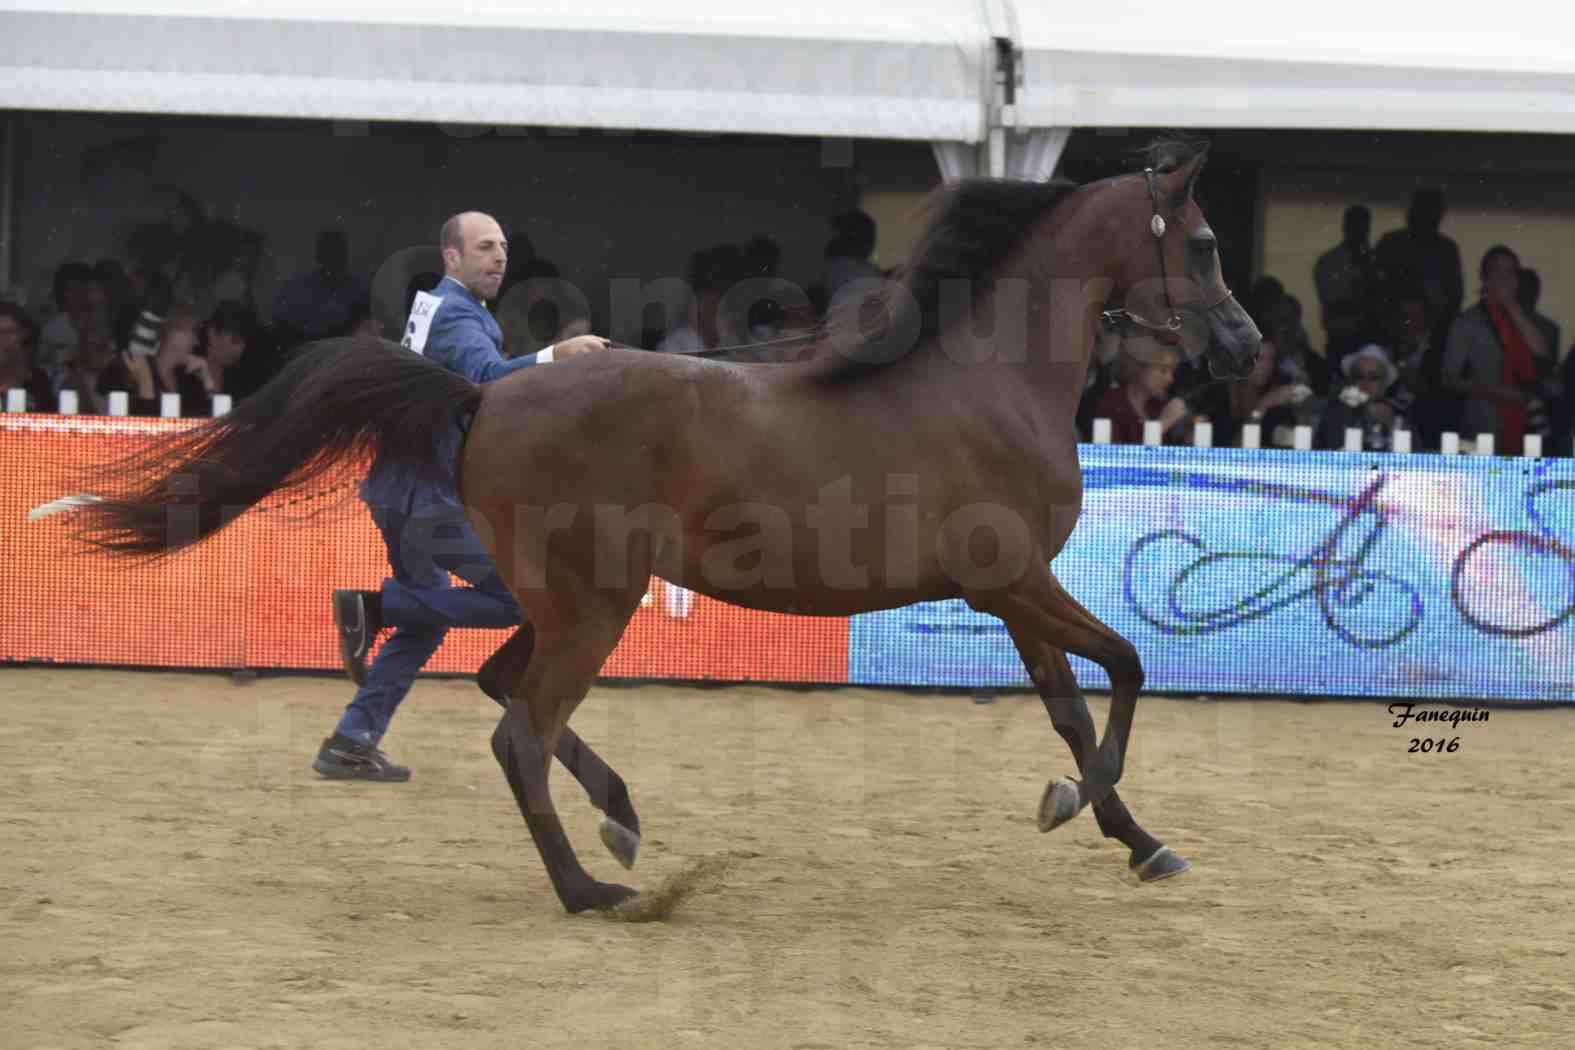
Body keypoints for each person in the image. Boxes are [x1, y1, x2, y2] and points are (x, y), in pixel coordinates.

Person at [315, 211, 611, 782]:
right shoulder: (457, 313)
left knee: (427, 618)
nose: (499, 258)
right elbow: (486, 377)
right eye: (483, 248)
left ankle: (350, 741)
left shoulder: (436, 304)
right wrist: (558, 356)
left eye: (502, 247)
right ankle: (375, 607)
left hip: (400, 488)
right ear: (451, 257)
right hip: (426, 494)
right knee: (513, 600)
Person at [1441, 245, 1549, 456]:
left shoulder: (1524, 318)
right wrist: (1497, 393)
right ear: (1484, 278)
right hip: (1483, 424)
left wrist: (1511, 306)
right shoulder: (1467, 322)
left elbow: (1541, 352)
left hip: (1524, 424)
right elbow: (1448, 378)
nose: (1504, 279)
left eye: (1510, 273)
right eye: (1497, 272)